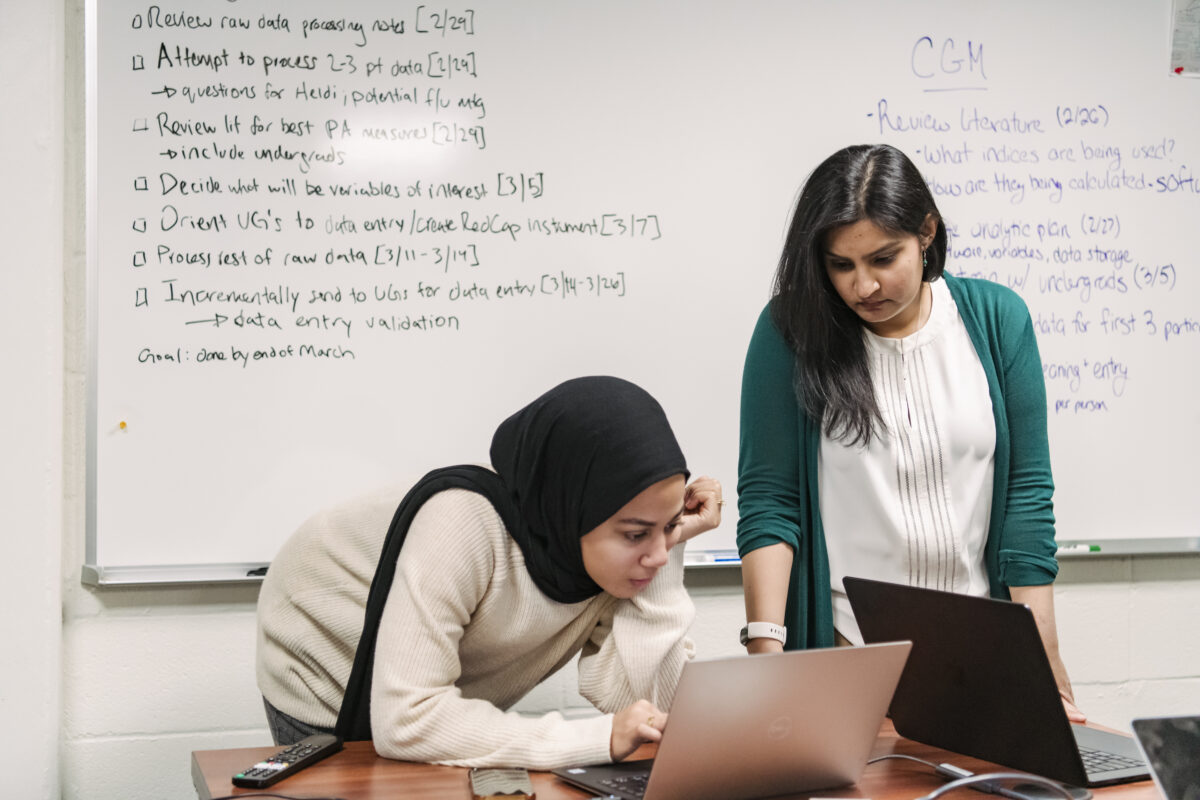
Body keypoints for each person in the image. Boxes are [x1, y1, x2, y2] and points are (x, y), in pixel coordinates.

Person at [736, 143, 1084, 722]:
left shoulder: (998, 320)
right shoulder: (789, 333)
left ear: (926, 231)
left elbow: (1026, 497)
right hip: (846, 661)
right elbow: (771, 504)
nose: (863, 287)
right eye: (841, 265)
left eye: (883, 258)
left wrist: (1046, 661)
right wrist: (766, 653)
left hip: (981, 657)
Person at [256, 376, 723, 769]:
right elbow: (407, 721)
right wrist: (592, 741)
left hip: (421, 688)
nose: (657, 554)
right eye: (636, 534)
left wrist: (667, 544)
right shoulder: (461, 524)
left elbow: (654, 703)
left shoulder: (599, 552)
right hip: (324, 655)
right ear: (571, 509)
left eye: (667, 528)